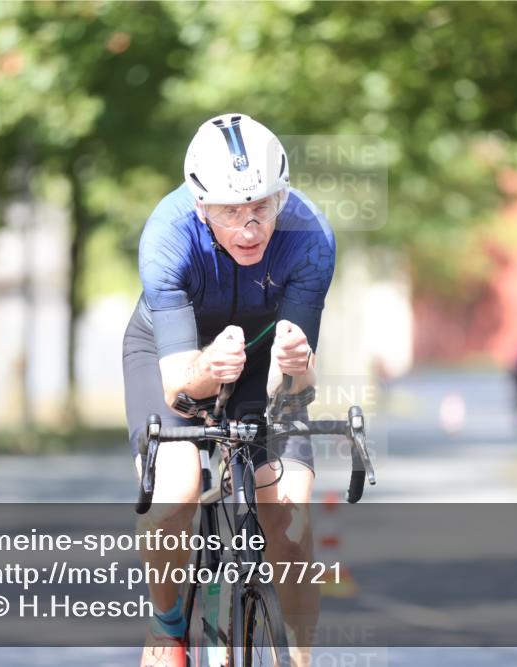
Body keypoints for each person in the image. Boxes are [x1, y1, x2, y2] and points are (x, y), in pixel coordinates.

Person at [122, 113, 335, 667]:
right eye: (231, 211)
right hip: (175, 355)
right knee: (175, 496)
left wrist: (296, 363)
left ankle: (302, 660)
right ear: (199, 205)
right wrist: (207, 369)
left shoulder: (310, 236)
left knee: (288, 521)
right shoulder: (167, 238)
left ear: (282, 196)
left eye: (262, 206)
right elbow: (178, 392)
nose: (250, 227)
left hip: (262, 351)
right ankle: (169, 629)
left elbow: (295, 388)